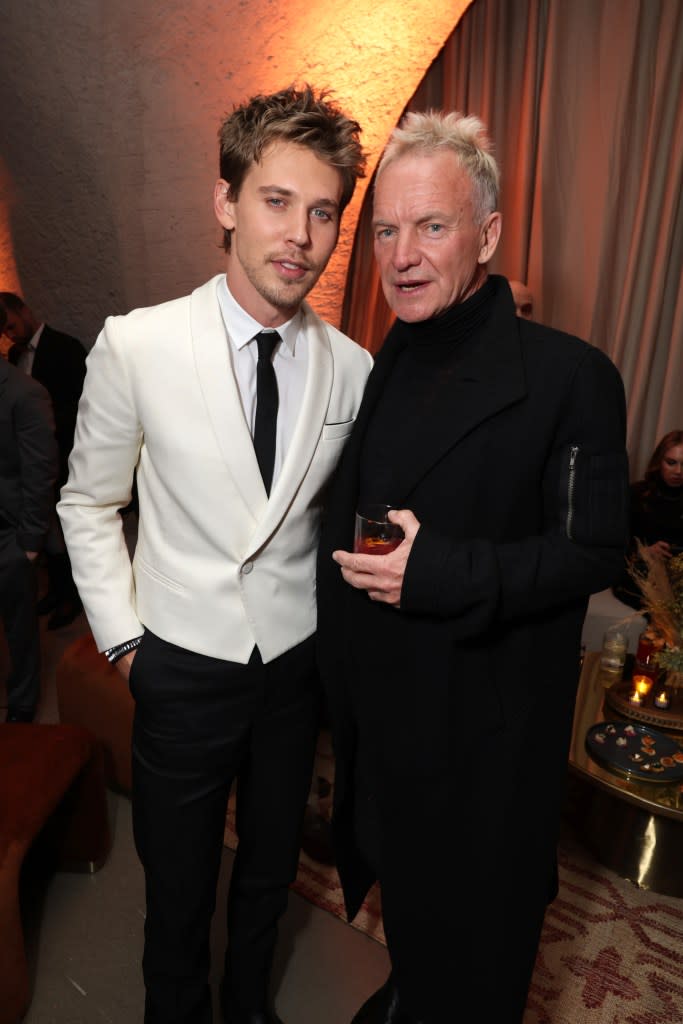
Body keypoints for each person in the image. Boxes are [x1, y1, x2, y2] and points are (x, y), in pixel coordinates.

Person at [58, 85, 372, 1024]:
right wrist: (125, 647)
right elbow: (86, 502)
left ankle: (250, 1007)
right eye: (277, 202)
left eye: (323, 212)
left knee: (267, 875)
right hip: (178, 666)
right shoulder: (139, 345)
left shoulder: (354, 368)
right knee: (179, 883)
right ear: (225, 203)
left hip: (292, 672)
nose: (300, 236)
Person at [316, 110, 629, 1023]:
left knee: (476, 966)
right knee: (414, 933)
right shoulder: (384, 363)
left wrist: (445, 573)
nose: (403, 254)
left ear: (486, 234)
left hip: (483, 759)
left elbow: (594, 551)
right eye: (386, 229)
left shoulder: (573, 376)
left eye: (433, 226)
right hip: (384, 739)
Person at [0, 291, 86, 628]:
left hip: (63, 454)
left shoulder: (65, 348)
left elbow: (83, 404)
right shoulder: (14, 354)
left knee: (66, 531)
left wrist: (42, 426)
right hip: (31, 459)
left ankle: (73, 599)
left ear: (23, 310)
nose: (10, 335)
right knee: (47, 531)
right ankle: (57, 591)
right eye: (5, 332)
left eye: (11, 325)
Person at [0, 306, 59, 722]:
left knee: (20, 628)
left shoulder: (24, 392)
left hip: (11, 535)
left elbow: (41, 471)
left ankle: (22, 705)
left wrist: (30, 543)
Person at [612, 429, 683, 610]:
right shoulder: (636, 494)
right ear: (659, 461)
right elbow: (615, 544)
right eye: (671, 462)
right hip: (639, 574)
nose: (678, 471)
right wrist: (646, 552)